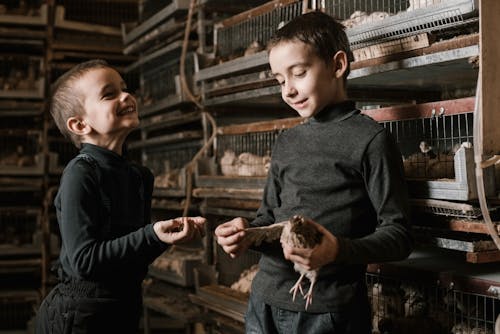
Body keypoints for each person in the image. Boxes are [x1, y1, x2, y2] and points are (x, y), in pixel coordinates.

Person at [215, 11, 413, 334]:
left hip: (327, 312)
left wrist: (337, 251)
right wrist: (246, 233)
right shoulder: (286, 141)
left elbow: (400, 235)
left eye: (299, 73)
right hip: (264, 300)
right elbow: (268, 220)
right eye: (280, 80)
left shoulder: (371, 140)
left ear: (337, 65)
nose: (288, 90)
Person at [35, 59, 206, 334]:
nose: (126, 96)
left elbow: (128, 253)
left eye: (124, 89)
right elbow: (85, 262)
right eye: (109, 94)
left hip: (123, 308)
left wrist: (166, 237)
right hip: (80, 315)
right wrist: (152, 235)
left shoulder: (139, 176)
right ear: (80, 125)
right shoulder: (81, 174)